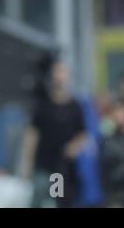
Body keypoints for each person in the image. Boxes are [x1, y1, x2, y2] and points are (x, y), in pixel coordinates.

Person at [24, 61, 87, 207]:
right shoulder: (43, 105)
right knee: (39, 201)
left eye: (62, 73)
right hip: (43, 165)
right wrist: (28, 164)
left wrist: (74, 146)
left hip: (62, 168)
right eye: (56, 73)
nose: (59, 77)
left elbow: (82, 133)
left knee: (57, 201)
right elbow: (32, 135)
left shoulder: (74, 106)